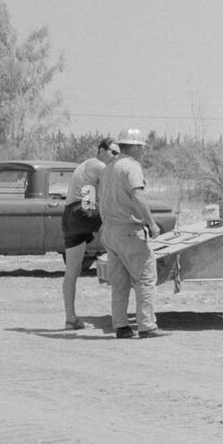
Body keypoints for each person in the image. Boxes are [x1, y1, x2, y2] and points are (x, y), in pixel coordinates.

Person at [98, 128, 165, 340]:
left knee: (119, 283)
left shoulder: (109, 168)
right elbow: (138, 196)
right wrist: (152, 223)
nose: (143, 151)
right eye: (142, 147)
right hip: (129, 231)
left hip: (110, 232)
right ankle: (147, 326)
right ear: (134, 147)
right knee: (145, 279)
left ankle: (121, 326)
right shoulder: (131, 168)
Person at [60, 137, 118, 330]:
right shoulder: (99, 165)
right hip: (83, 211)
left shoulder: (86, 165)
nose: (115, 157)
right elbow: (114, 190)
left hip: (70, 216)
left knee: (72, 271)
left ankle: (71, 319)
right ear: (101, 151)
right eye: (113, 153)